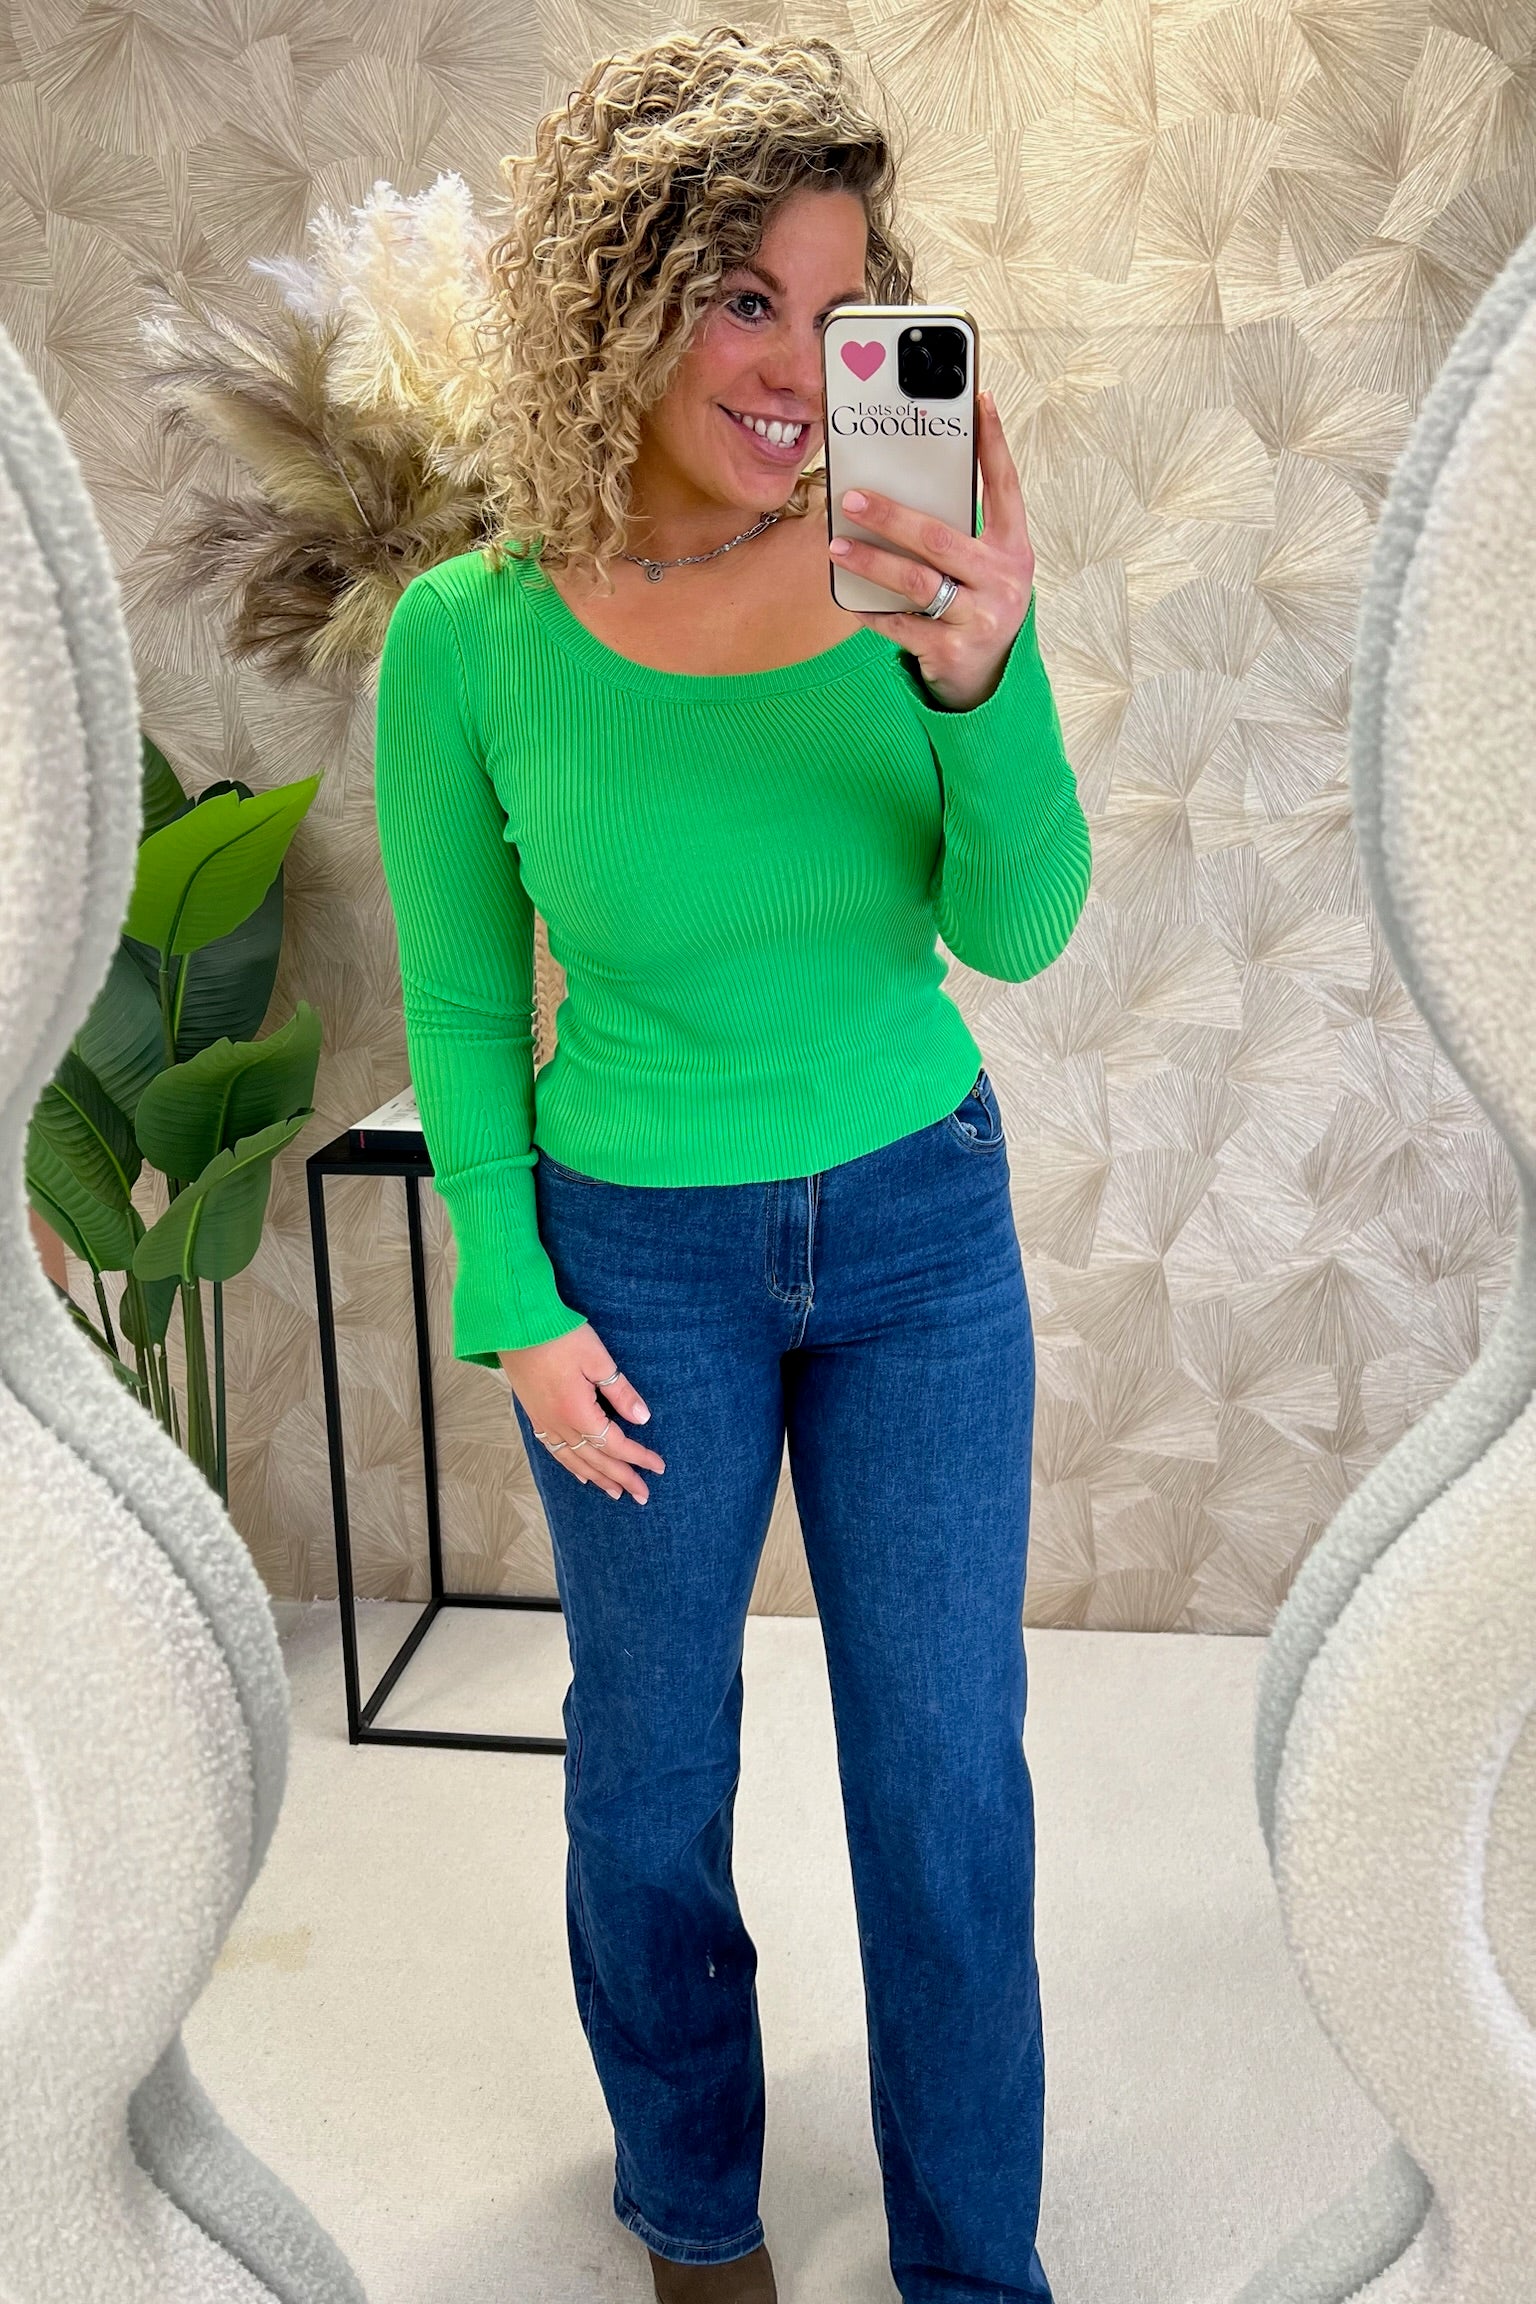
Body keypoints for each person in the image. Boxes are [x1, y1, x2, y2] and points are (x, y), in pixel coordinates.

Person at [372, 26, 1091, 2304]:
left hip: (917, 1233)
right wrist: (515, 1295)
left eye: (843, 306)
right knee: (648, 1775)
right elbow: (464, 1005)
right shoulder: (468, 636)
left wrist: (986, 675)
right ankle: (696, 2216)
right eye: (744, 300)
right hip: (636, 1264)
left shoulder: (909, 577)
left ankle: (974, 2266)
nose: (799, 368)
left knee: (945, 1783)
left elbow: (1019, 928)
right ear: (619, 297)